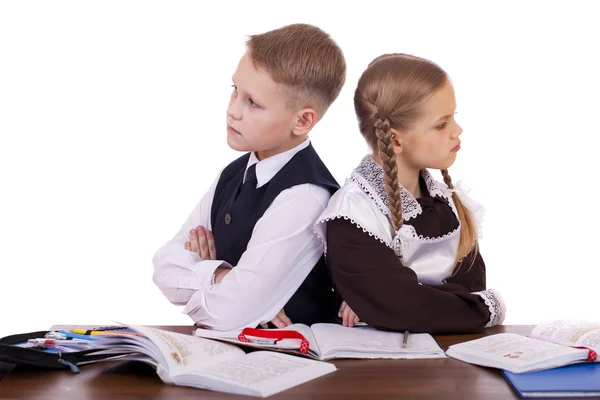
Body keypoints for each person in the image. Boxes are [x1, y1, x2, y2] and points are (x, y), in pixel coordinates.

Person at [153, 23, 346, 331]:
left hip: (292, 364)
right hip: (228, 356)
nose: (233, 111)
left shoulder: (305, 196)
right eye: (235, 91)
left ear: (303, 120)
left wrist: (202, 273)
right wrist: (218, 275)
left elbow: (228, 315)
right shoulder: (234, 173)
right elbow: (163, 267)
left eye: (253, 103)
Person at [314, 53, 506, 333]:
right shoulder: (353, 212)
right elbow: (406, 306)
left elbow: (469, 289)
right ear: (394, 139)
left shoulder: (450, 204)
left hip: (450, 360)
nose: (457, 131)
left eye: (454, 118)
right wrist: (396, 302)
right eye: (442, 124)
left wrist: (384, 301)